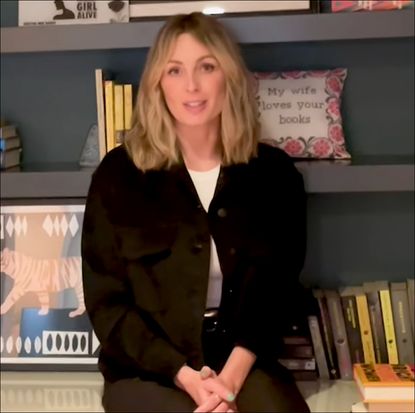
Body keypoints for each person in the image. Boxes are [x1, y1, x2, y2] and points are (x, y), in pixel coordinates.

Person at [82, 11, 310, 413]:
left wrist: (229, 382)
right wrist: (185, 375)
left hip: (244, 362)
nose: (191, 85)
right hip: (150, 368)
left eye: (206, 67)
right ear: (157, 84)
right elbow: (108, 305)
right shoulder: (117, 176)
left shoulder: (274, 175)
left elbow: (277, 292)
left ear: (229, 76)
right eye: (174, 70)